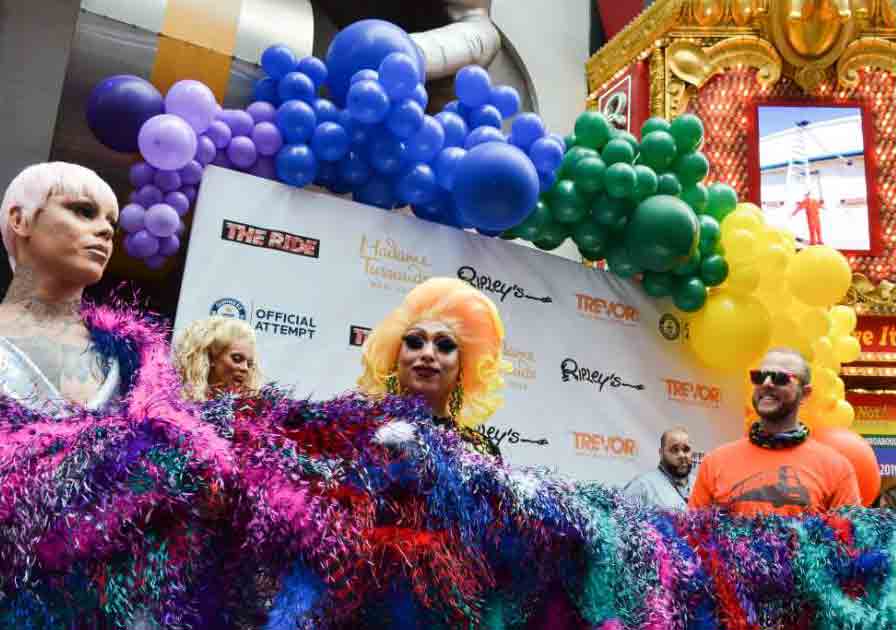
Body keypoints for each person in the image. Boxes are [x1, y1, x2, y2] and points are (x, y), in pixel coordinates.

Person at [0, 163, 234, 628]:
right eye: (83, 211)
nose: (106, 231)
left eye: (111, 222)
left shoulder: (139, 362)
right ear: (20, 220)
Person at [689, 347, 861, 516]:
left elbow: (849, 534)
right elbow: (692, 532)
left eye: (780, 378)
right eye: (759, 376)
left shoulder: (837, 468)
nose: (766, 383)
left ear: (805, 394)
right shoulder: (715, 463)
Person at [358, 276, 510, 458]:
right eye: (415, 342)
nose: (428, 354)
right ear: (394, 357)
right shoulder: (360, 433)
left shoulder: (479, 452)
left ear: (463, 367)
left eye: (445, 345)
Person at [174, 316, 261, 401]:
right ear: (211, 356)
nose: (245, 368)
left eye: (249, 364)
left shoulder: (252, 407)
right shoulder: (172, 400)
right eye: (237, 359)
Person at [624, 426, 694, 510]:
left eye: (686, 449)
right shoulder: (642, 486)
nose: (682, 455)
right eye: (675, 450)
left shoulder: (699, 483)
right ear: (661, 453)